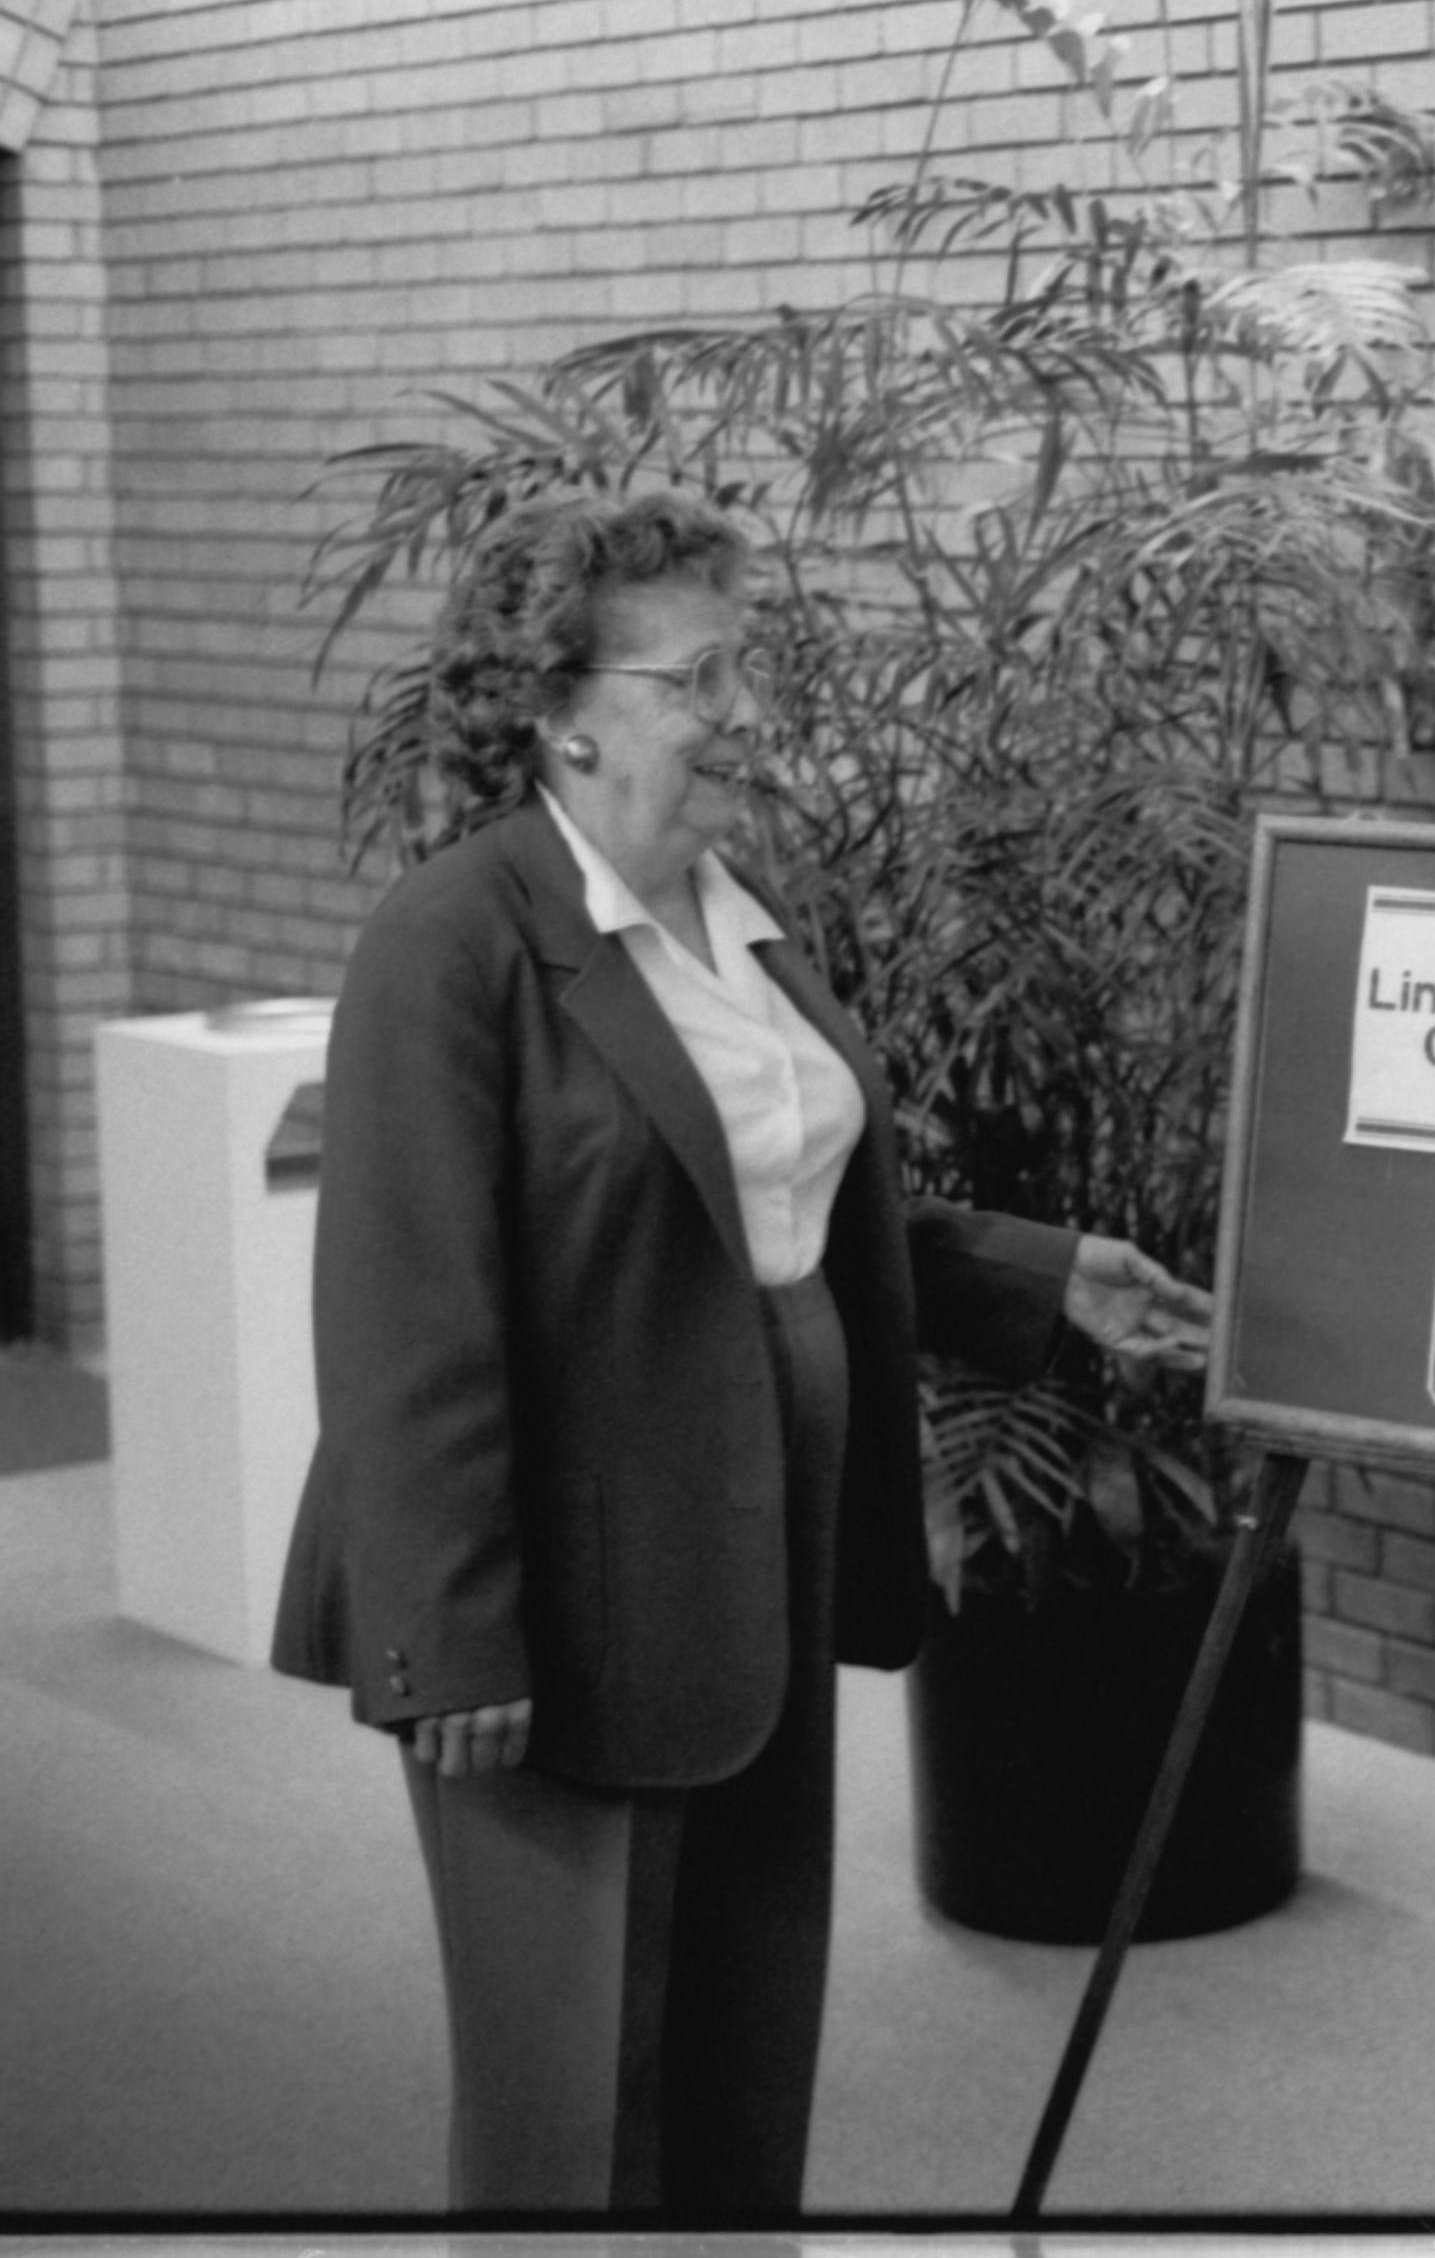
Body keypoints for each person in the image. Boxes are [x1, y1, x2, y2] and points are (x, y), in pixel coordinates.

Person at [270, 489, 1212, 2216]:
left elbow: (770, 1208)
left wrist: (1041, 1272)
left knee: (741, 2050)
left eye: (745, 669)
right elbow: (409, 1324)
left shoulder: (739, 909)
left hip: (762, 1554)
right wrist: (451, 1638)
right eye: (703, 678)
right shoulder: (455, 941)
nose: (748, 716)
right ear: (565, 706)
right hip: (553, 1593)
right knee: (573, 2097)